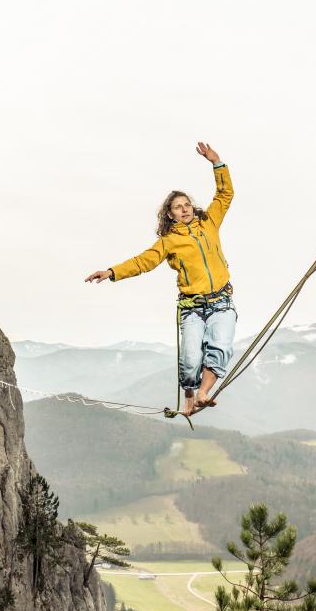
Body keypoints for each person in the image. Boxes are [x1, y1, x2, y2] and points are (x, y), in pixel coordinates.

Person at [85, 142, 236, 416]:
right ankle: (190, 393)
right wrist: (111, 272)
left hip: (222, 301)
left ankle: (203, 393)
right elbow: (143, 262)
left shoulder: (209, 223)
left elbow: (225, 194)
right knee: (190, 360)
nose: (185, 209)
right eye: (178, 207)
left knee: (221, 347)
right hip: (192, 306)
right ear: (170, 214)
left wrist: (217, 162)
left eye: (187, 205)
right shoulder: (168, 242)